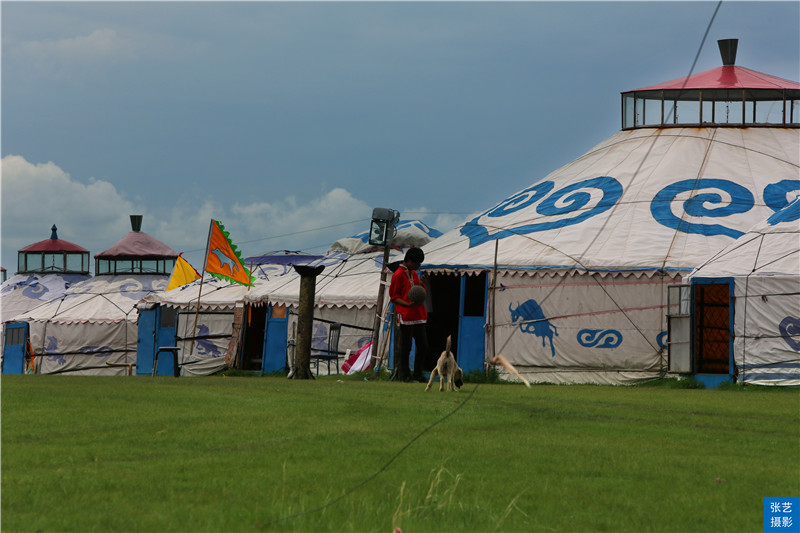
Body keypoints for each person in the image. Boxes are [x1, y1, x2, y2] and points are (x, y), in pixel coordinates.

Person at [389, 247, 429, 382]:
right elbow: (394, 297)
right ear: (410, 261)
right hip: (406, 315)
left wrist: (422, 284)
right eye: (417, 264)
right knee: (406, 347)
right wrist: (407, 305)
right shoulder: (398, 275)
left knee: (423, 346)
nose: (418, 266)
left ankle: (418, 373)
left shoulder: (415, 274)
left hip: (418, 314)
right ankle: (405, 375)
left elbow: (417, 292)